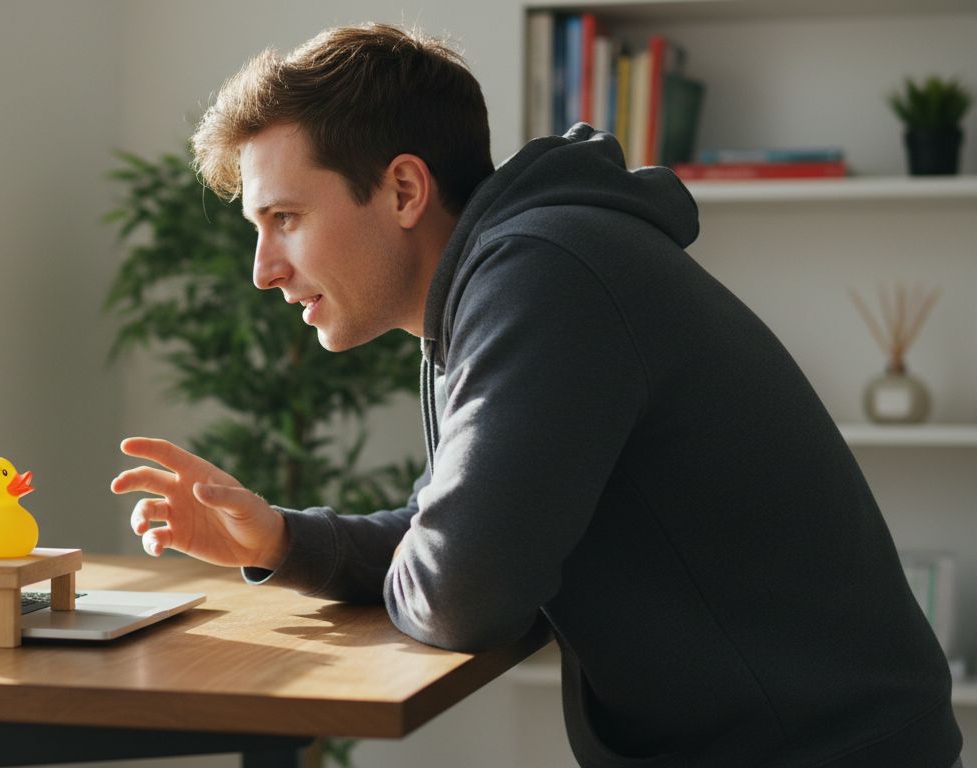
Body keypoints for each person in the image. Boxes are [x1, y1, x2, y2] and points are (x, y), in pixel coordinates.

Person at [110, 23, 963, 768]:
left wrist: (455, 556)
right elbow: (453, 537)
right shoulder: (506, 277)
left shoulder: (543, 275)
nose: (263, 270)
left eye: (286, 219)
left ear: (404, 190)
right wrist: (282, 537)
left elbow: (465, 588)